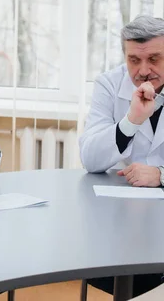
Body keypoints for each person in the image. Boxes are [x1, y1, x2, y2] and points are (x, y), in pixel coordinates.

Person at [80, 15, 164, 296]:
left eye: (154, 58)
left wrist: (161, 175)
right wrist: (130, 121)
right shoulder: (109, 84)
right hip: (122, 220)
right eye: (134, 60)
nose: (143, 71)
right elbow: (90, 158)